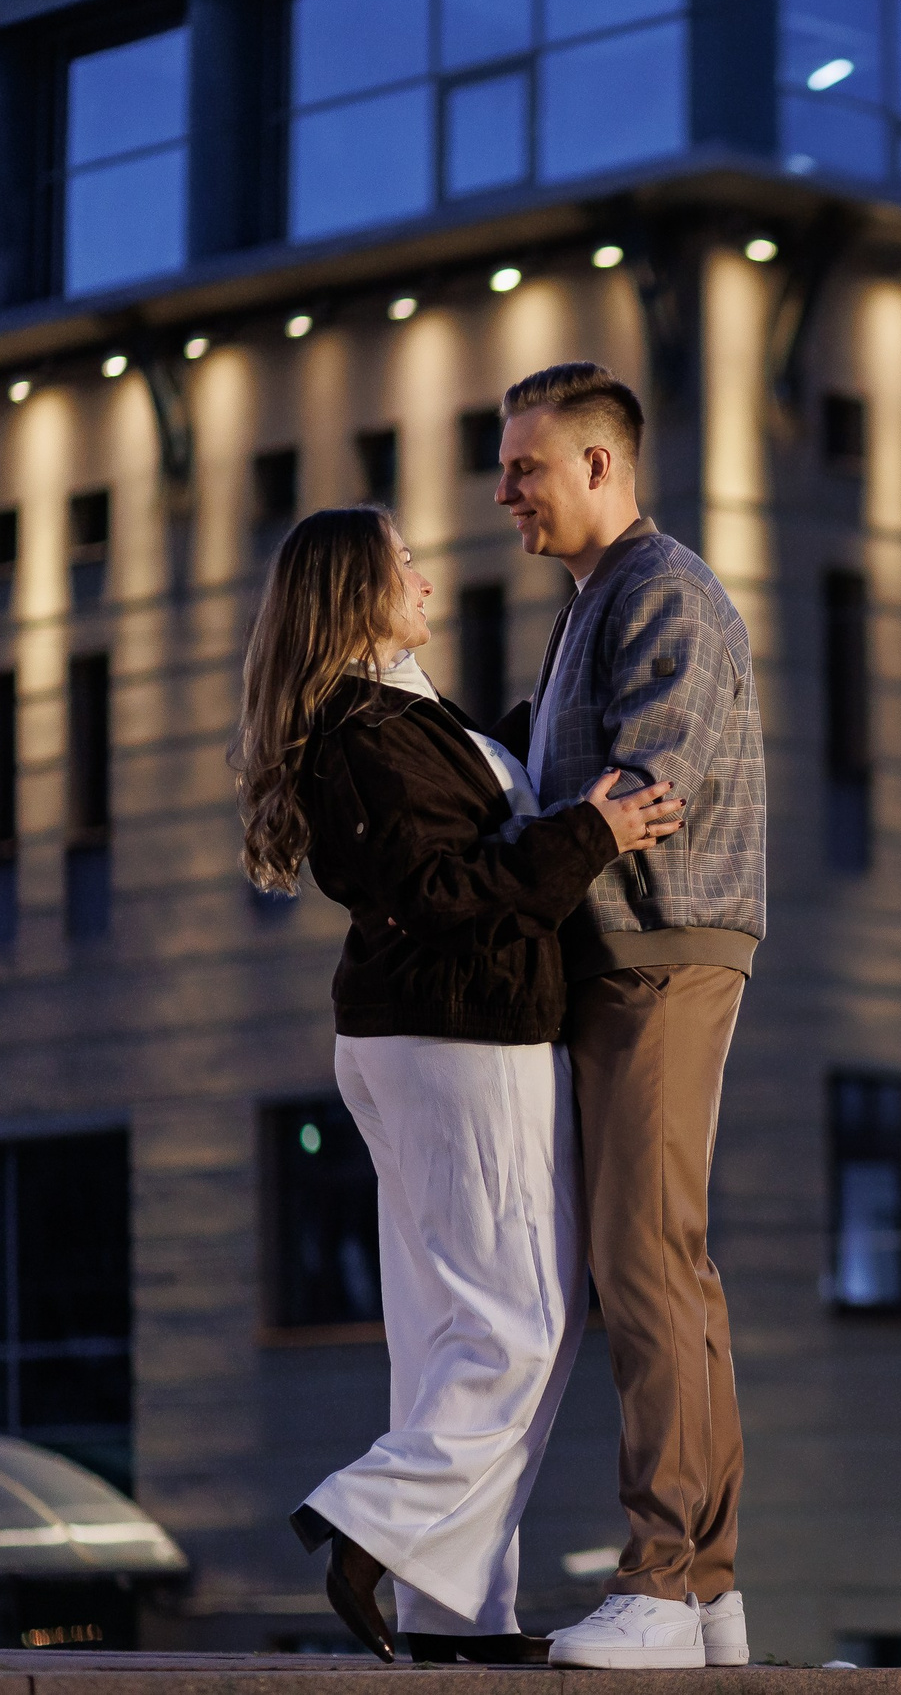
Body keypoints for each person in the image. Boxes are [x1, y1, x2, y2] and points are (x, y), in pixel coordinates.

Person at [233, 505, 682, 1664]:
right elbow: (443, 888)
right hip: (458, 1036)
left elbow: (469, 825)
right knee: (519, 1325)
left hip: (433, 1037)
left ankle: (456, 1615)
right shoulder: (365, 731)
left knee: (451, 1329)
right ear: (355, 593)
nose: (426, 578)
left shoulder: (398, 712)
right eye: (404, 563)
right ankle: (368, 1524)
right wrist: (592, 831)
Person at [487, 363, 766, 1671]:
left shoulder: (661, 589)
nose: (505, 492)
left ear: (600, 463)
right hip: (636, 952)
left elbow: (650, 785)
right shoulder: (602, 597)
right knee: (669, 1265)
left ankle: (660, 1579)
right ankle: (701, 1588)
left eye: (525, 467)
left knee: (646, 1261)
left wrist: (542, 837)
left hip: (658, 950)